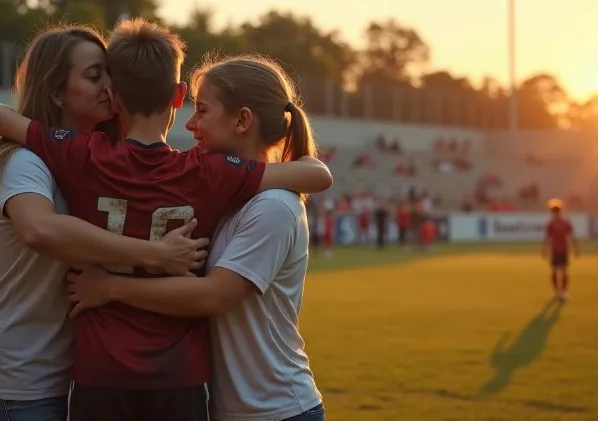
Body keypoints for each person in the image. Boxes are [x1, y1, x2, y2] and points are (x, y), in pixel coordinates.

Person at [0, 19, 331, 421]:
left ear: (114, 96)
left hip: (99, 370)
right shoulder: (205, 171)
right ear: (178, 96)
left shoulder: (80, 155)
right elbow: (315, 176)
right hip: (180, 374)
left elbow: (11, 120)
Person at [0, 25, 203, 421]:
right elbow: (40, 230)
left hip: (72, 375)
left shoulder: (103, 161)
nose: (110, 86)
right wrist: (155, 255)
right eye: (95, 76)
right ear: (57, 92)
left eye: (111, 73)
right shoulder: (28, 161)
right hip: (24, 383)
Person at [543, 199, 579, 301]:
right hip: (559, 250)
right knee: (559, 271)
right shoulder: (555, 223)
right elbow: (549, 238)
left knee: (559, 271)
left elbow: (571, 236)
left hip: (560, 250)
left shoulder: (559, 223)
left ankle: (560, 291)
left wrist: (545, 250)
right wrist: (575, 249)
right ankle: (559, 291)